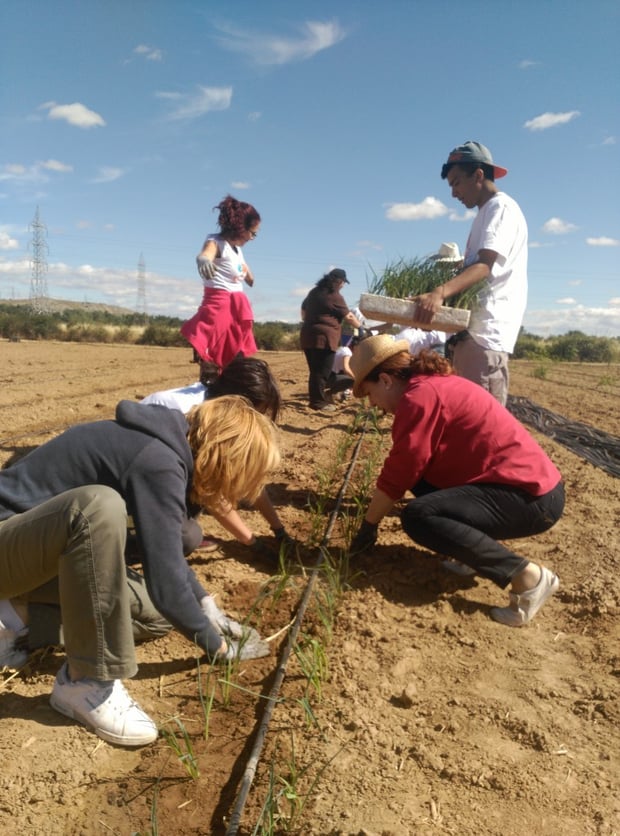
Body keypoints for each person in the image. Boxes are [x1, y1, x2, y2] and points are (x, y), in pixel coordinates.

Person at [0, 396, 279, 746]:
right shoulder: (156, 461)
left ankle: (13, 616)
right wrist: (219, 648)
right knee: (98, 508)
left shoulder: (170, 451)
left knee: (156, 617)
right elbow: (166, 584)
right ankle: (86, 681)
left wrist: (208, 608)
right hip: (8, 546)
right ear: (228, 457)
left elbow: (167, 563)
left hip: (36, 557)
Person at [348, 335, 564, 628]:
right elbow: (412, 467)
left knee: (419, 515)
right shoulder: (430, 385)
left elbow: (400, 470)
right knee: (423, 482)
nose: (374, 405)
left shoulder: (419, 397)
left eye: (370, 393)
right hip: (523, 488)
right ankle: (469, 555)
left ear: (385, 380)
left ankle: (527, 578)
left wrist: (368, 526)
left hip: (531, 499)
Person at [412, 142, 528, 406]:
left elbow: (485, 266)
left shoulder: (500, 209)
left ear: (478, 175)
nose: (453, 193)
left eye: (456, 183)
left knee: (480, 429)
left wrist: (439, 292)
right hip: (472, 335)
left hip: (484, 335)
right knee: (466, 424)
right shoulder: (487, 213)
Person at [141, 356, 292, 555]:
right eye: (257, 412)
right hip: (142, 480)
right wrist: (254, 544)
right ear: (239, 402)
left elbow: (249, 476)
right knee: (188, 535)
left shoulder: (218, 403)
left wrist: (278, 529)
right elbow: (211, 493)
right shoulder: (196, 416)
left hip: (161, 469)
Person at [180, 194, 260, 367]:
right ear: (241, 228)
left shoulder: (238, 250)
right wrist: (203, 260)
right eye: (253, 234)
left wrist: (248, 276)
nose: (252, 238)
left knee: (236, 359)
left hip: (237, 310)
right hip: (219, 308)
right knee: (215, 359)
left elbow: (248, 276)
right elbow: (205, 255)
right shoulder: (216, 242)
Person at [300, 268, 362, 412]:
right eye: (343, 283)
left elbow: (303, 313)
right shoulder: (334, 296)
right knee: (322, 372)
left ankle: (320, 398)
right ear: (339, 282)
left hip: (308, 335)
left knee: (315, 371)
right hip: (324, 338)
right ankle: (318, 402)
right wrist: (362, 328)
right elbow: (349, 317)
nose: (342, 286)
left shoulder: (313, 292)